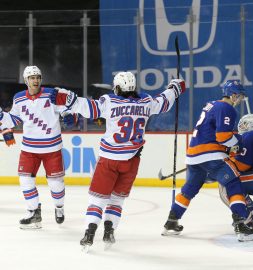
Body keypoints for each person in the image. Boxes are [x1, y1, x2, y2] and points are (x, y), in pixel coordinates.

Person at [49, 71, 186, 250]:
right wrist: (175, 88)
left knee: (97, 201)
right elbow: (164, 102)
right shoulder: (146, 101)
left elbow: (89, 108)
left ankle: (89, 234)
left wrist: (68, 99)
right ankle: (109, 231)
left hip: (108, 160)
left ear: (118, 87)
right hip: (131, 162)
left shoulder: (110, 101)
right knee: (116, 201)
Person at [162, 80, 253, 242]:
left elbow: (214, 134)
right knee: (233, 184)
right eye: (238, 95)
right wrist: (237, 142)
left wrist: (228, 145)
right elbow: (223, 136)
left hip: (193, 155)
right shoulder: (227, 108)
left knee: (189, 190)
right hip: (211, 155)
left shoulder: (211, 105)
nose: (239, 99)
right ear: (232, 95)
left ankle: (171, 221)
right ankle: (241, 224)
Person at [0, 65, 76, 229]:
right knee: (25, 181)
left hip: (52, 149)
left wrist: (68, 115)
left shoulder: (51, 94)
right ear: (26, 80)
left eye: (38, 77)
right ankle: (34, 212)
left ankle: (59, 208)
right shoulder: (19, 98)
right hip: (29, 149)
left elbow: (65, 108)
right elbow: (14, 120)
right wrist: (2, 116)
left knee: (56, 184)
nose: (35, 80)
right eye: (32, 77)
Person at [219, 113, 253, 231]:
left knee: (227, 181)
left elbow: (242, 167)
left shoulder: (250, 136)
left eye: (244, 126)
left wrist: (227, 159)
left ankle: (248, 218)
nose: (242, 130)